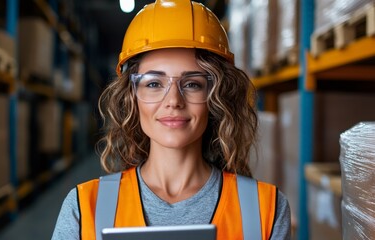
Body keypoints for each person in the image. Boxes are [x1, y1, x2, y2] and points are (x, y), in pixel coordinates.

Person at [52, 0, 291, 239]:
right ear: (132, 98)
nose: (173, 100)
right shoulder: (84, 208)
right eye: (154, 84)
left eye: (192, 84)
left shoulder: (266, 209)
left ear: (216, 96)